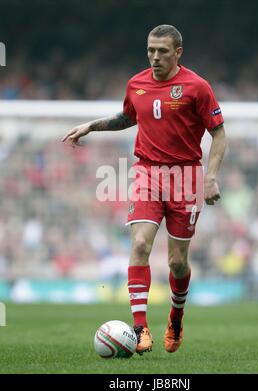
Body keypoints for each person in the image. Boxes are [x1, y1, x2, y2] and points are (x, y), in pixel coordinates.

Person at [62, 24, 227, 355]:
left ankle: (176, 318)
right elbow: (127, 117)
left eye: (162, 51)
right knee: (139, 244)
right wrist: (92, 126)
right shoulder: (136, 84)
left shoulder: (197, 87)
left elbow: (219, 133)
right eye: (150, 50)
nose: (155, 57)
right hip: (147, 173)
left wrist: (210, 177)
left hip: (186, 178)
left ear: (178, 52)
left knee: (177, 262)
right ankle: (140, 329)